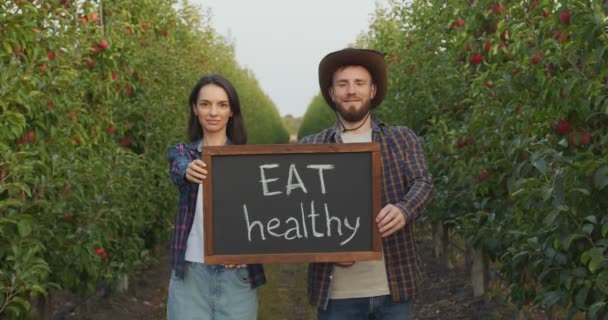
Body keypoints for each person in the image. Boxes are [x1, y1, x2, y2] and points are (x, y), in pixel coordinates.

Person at [300, 48, 433, 319]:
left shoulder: (401, 138)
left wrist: (404, 210)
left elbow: (423, 183)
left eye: (359, 83)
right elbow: (297, 213)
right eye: (343, 84)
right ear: (332, 93)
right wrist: (324, 250)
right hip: (337, 294)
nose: (351, 91)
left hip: (392, 288)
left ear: (372, 91)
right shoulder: (311, 147)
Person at [166, 74, 265, 320]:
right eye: (205, 104)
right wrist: (188, 170)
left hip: (237, 274)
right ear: (195, 109)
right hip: (191, 272)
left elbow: (264, 218)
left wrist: (245, 250)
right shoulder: (185, 154)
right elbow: (176, 165)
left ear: (231, 111)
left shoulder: (248, 160)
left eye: (222, 104)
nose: (213, 112)